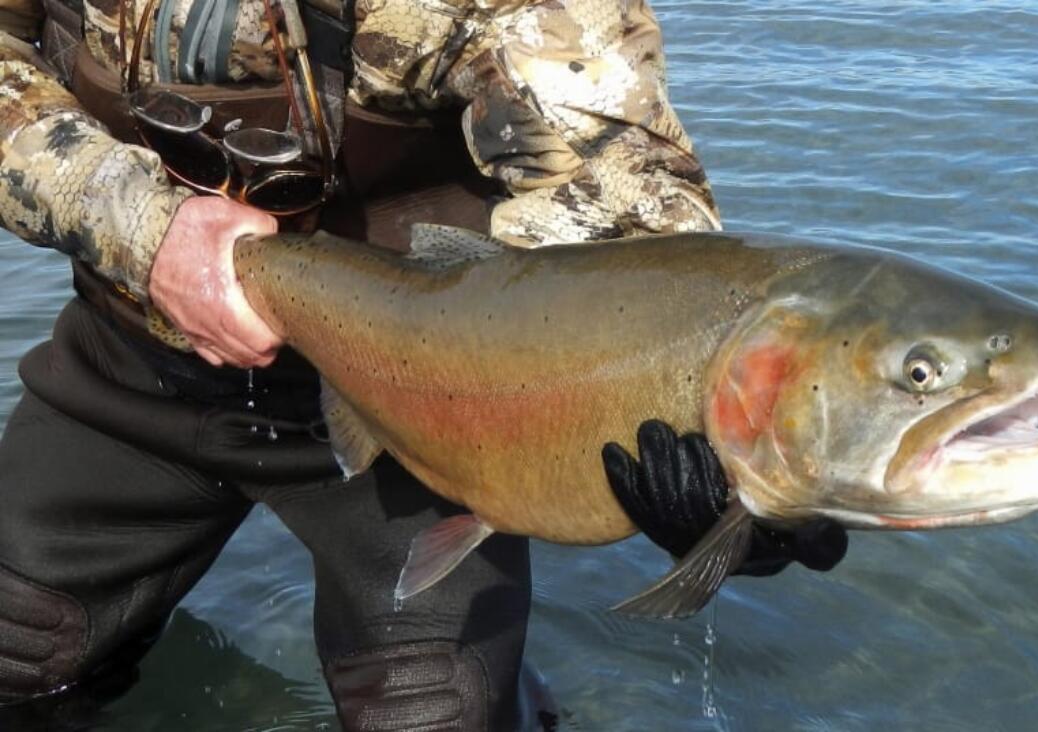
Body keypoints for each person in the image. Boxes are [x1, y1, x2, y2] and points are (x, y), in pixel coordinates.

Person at [0, 0, 847, 727]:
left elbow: (622, 187)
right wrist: (142, 227)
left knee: (436, 711)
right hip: (127, 377)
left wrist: (728, 434)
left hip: (427, 415)